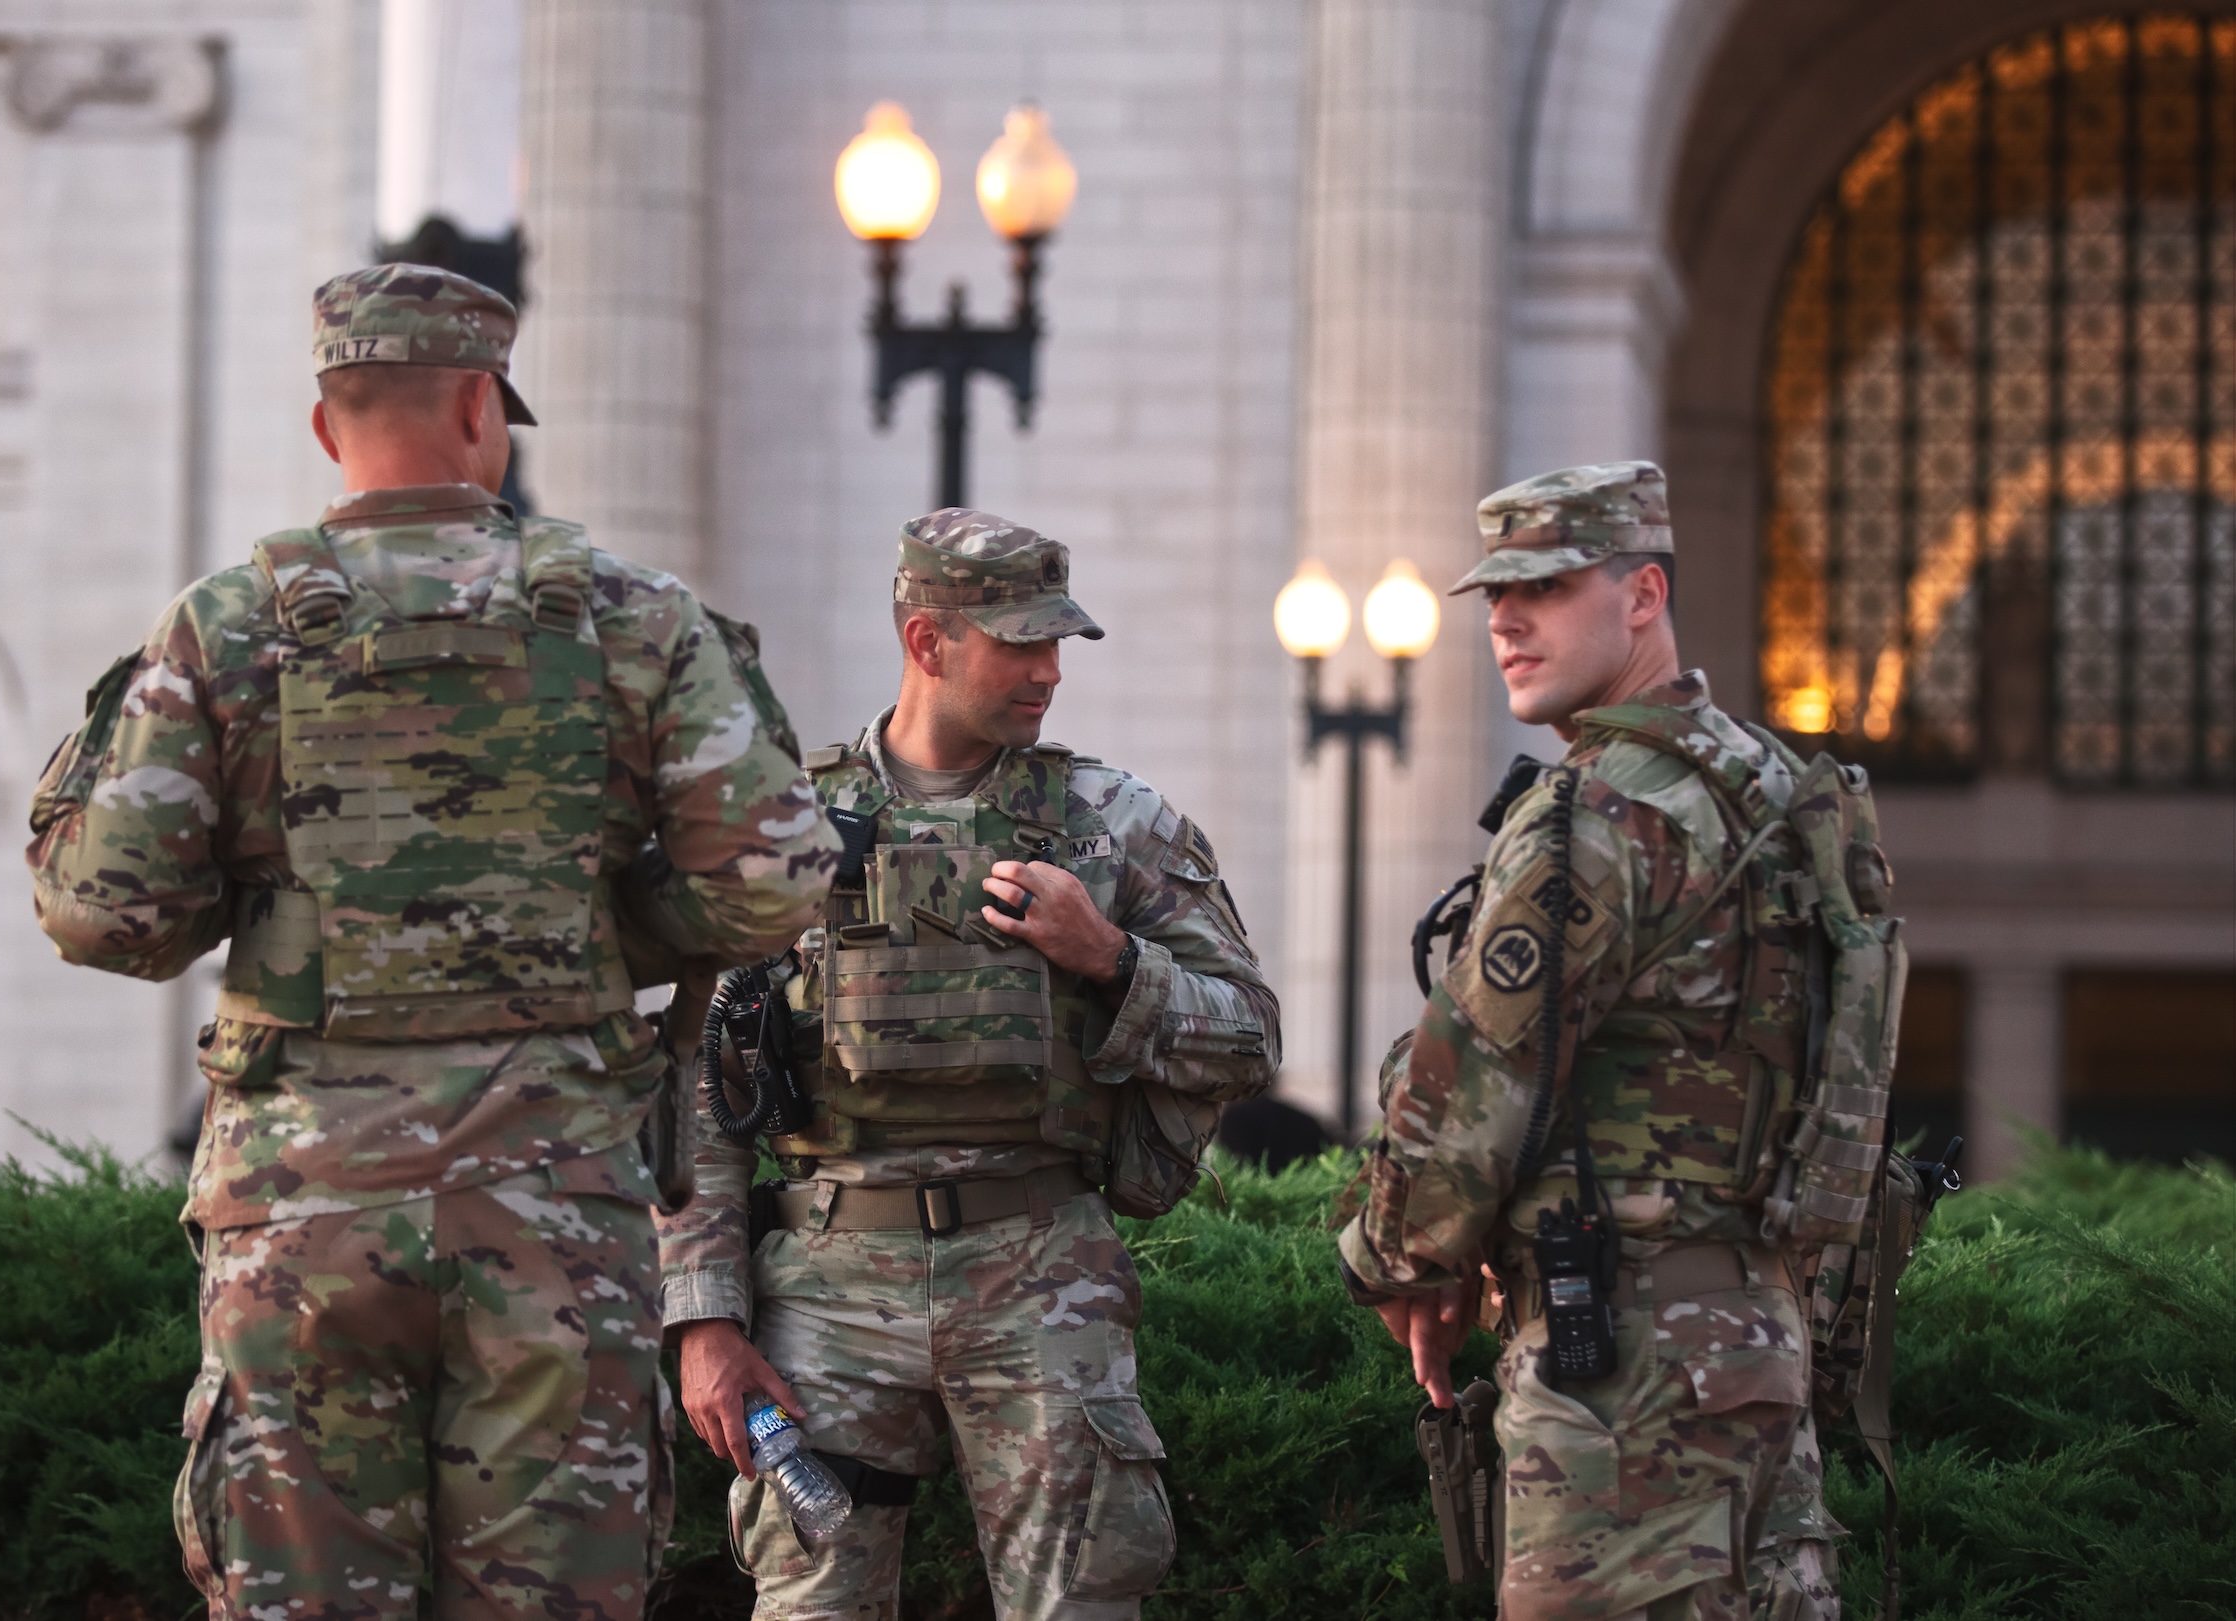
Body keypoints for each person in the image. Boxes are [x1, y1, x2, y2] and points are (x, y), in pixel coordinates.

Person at [26, 263, 838, 1620]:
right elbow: (775, 880)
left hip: (304, 1208)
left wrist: (280, 908)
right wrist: (592, 925)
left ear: (325, 423)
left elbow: (106, 913)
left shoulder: (224, 625)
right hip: (556, 1200)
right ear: (478, 406)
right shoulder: (633, 615)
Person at [658, 509, 1281, 1620]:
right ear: (927, 640)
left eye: (1058, 643)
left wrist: (1112, 958)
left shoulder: (1111, 821)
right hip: (827, 1289)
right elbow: (701, 1089)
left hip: (1043, 1273)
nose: (1050, 671)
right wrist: (704, 1319)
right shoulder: (791, 824)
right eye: (1021, 641)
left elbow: (1249, 1036)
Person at [1338, 462, 1846, 1620]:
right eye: (1495, 595)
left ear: (1643, 594)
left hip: (1620, 1369)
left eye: (1548, 587)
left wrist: (1392, 1262)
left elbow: (1466, 1094)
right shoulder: (1775, 791)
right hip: (1758, 1339)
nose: (1506, 621)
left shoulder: (1598, 815)